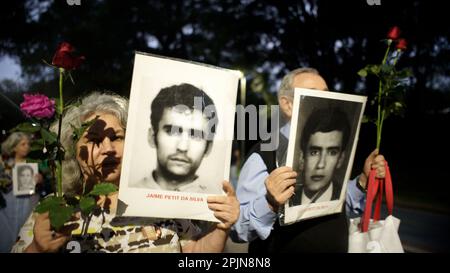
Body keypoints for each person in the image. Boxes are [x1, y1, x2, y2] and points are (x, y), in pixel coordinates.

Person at [11, 92, 239, 253]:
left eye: (117, 137)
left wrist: (221, 227)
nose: (108, 149)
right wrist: (37, 249)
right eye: (95, 140)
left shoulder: (164, 200)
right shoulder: (56, 208)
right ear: (72, 151)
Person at [230, 68, 386, 252]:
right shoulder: (264, 154)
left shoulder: (334, 142)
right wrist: (269, 203)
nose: (325, 102)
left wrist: (362, 182)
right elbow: (237, 228)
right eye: (313, 94)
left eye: (327, 95)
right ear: (287, 105)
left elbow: (336, 204)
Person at [131, 83, 219, 194]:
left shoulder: (219, 203)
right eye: (173, 131)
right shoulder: (126, 198)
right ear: (152, 137)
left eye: (196, 135)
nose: (182, 147)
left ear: (208, 147)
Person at [289, 107, 350, 206]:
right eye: (314, 152)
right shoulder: (287, 201)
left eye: (332, 152)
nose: (321, 164)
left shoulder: (347, 201)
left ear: (340, 159)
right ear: (302, 158)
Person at [0, 132, 42, 252]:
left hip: (28, 204)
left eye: (28, 144)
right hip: (8, 207)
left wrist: (40, 180)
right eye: (22, 144)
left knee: (24, 231)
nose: (26, 147)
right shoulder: (5, 164)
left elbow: (44, 185)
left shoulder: (33, 163)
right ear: (14, 146)